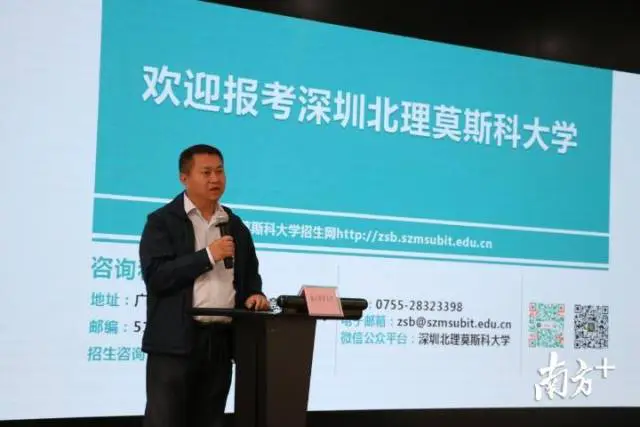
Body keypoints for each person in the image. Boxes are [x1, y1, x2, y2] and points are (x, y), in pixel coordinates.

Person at [138, 144, 270, 427]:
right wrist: (208, 255)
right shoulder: (162, 222)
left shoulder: (234, 224)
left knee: (210, 420)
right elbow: (157, 277)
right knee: (165, 420)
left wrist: (254, 295)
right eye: (206, 172)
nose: (215, 179)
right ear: (184, 178)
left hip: (219, 343)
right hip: (175, 344)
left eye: (220, 171)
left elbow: (249, 277)